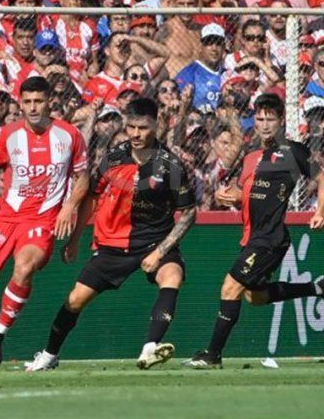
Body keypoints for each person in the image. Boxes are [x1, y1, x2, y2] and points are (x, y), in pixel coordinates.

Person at [26, 98, 198, 371]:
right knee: (75, 300)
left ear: (157, 124)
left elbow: (188, 213)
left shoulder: (170, 166)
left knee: (172, 276)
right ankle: (49, 354)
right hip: (112, 243)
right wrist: (74, 239)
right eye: (131, 127)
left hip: (154, 241)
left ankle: (150, 349)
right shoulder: (113, 158)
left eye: (143, 128)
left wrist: (160, 252)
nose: (136, 134)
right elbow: (91, 199)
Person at [185, 93, 324, 369]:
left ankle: (212, 355)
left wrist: (320, 212)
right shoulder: (250, 156)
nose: (264, 125)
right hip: (252, 236)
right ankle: (318, 287)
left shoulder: (293, 152)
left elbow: (323, 181)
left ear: (281, 121)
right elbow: (243, 194)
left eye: (270, 119)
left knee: (230, 286)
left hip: (270, 238)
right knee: (254, 297)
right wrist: (229, 197)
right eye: (259, 119)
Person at [0, 76, 89, 371]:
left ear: (50, 102)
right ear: (20, 103)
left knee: (24, 268)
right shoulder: (6, 136)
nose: (33, 108)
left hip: (43, 219)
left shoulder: (69, 136)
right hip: (5, 218)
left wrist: (68, 207)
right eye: (28, 102)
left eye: (39, 101)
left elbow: (83, 177)